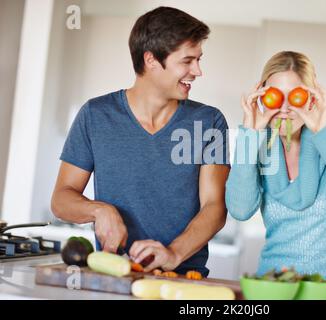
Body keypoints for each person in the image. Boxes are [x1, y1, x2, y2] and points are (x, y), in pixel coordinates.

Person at [51, 7, 230, 277]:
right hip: (112, 278)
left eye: (198, 60)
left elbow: (214, 206)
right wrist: (99, 210)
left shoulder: (209, 121)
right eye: (187, 61)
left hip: (181, 280)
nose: (197, 71)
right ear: (151, 60)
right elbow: (61, 199)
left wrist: (174, 254)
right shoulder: (95, 115)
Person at [225, 51, 326, 299]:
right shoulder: (258, 146)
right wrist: (249, 137)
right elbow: (240, 209)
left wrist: (322, 132)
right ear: (262, 97)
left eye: (294, 96)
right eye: (275, 96)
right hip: (273, 291)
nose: (284, 108)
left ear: (311, 96)